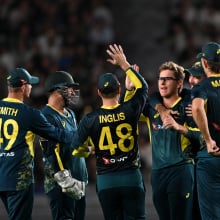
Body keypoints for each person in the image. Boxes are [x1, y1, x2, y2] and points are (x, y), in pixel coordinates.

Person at [72, 44, 148, 220]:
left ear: (98, 92)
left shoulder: (89, 119)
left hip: (106, 180)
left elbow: (76, 149)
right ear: (119, 90)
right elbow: (142, 87)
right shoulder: (130, 110)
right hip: (131, 177)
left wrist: (92, 150)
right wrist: (124, 64)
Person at [0, 68, 77, 220]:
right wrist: (81, 134)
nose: (31, 87)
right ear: (23, 87)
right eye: (30, 84)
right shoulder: (30, 114)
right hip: (19, 179)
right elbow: (58, 135)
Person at [139, 61, 202, 220]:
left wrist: (179, 127)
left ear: (179, 83)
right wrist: (131, 88)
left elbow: (202, 136)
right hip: (158, 173)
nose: (162, 82)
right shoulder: (152, 107)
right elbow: (129, 110)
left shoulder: (189, 106)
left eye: (168, 79)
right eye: (161, 78)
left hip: (181, 170)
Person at [40, 71, 88, 220]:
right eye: (69, 88)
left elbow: (73, 143)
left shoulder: (70, 114)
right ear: (57, 89)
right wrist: (64, 179)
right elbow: (50, 150)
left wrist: (87, 150)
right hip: (62, 183)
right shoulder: (46, 116)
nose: (73, 92)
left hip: (77, 178)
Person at [191, 41, 220, 219]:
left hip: (211, 158)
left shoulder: (202, 87)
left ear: (204, 63)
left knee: (211, 213)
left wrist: (208, 140)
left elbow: (196, 108)